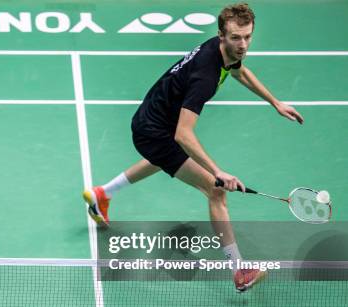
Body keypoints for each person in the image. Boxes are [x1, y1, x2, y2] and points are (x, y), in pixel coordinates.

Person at [83, 3, 304, 292]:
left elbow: (239, 71)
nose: (243, 44)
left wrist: (274, 102)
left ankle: (102, 193)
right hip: (155, 131)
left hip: (154, 120)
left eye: (247, 37)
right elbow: (184, 134)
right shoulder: (205, 77)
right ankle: (239, 270)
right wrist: (218, 172)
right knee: (215, 189)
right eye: (236, 38)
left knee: (167, 159)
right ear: (221, 35)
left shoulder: (222, 49)